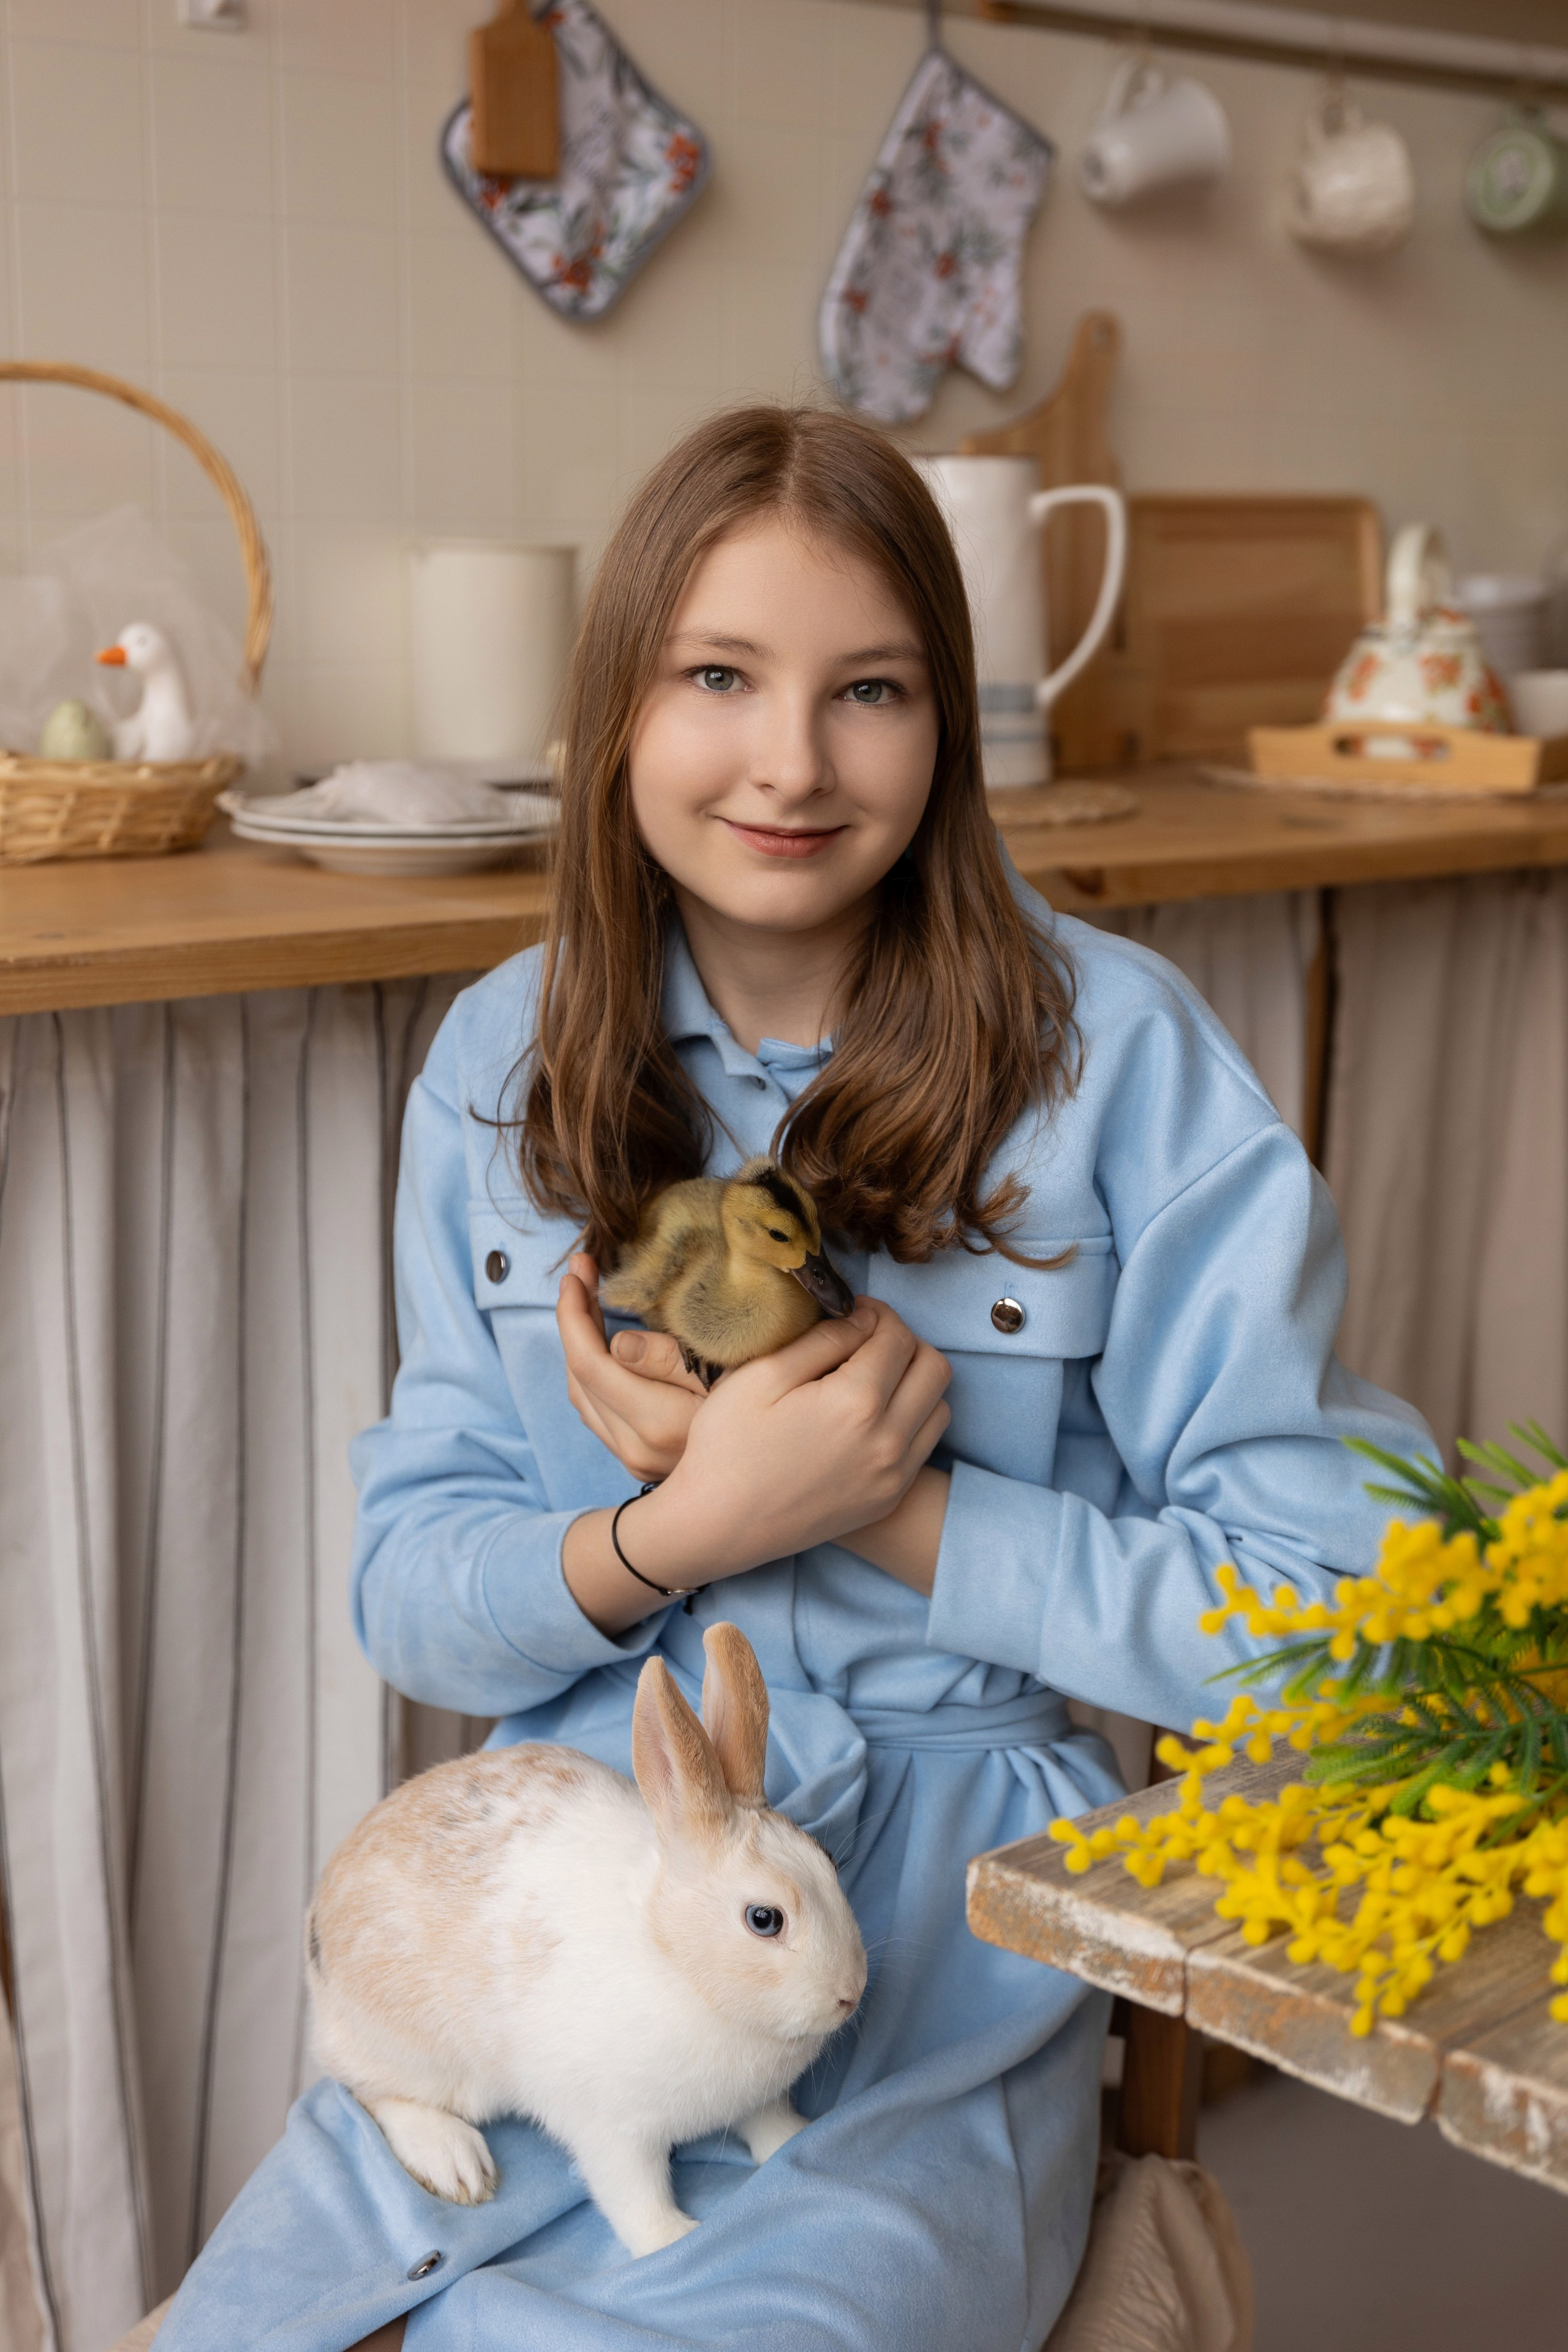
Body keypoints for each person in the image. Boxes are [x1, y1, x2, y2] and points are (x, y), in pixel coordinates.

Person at [159, 408, 1430, 2352]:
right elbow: (415, 1593)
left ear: (950, 725)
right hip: (559, 1893)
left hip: (923, 1948)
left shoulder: (1124, 1070)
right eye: (719, 678)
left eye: (871, 690)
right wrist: (679, 1536)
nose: (792, 762)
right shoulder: (500, 1065)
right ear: (620, 712)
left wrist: (905, 1518)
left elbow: (1341, 1618)